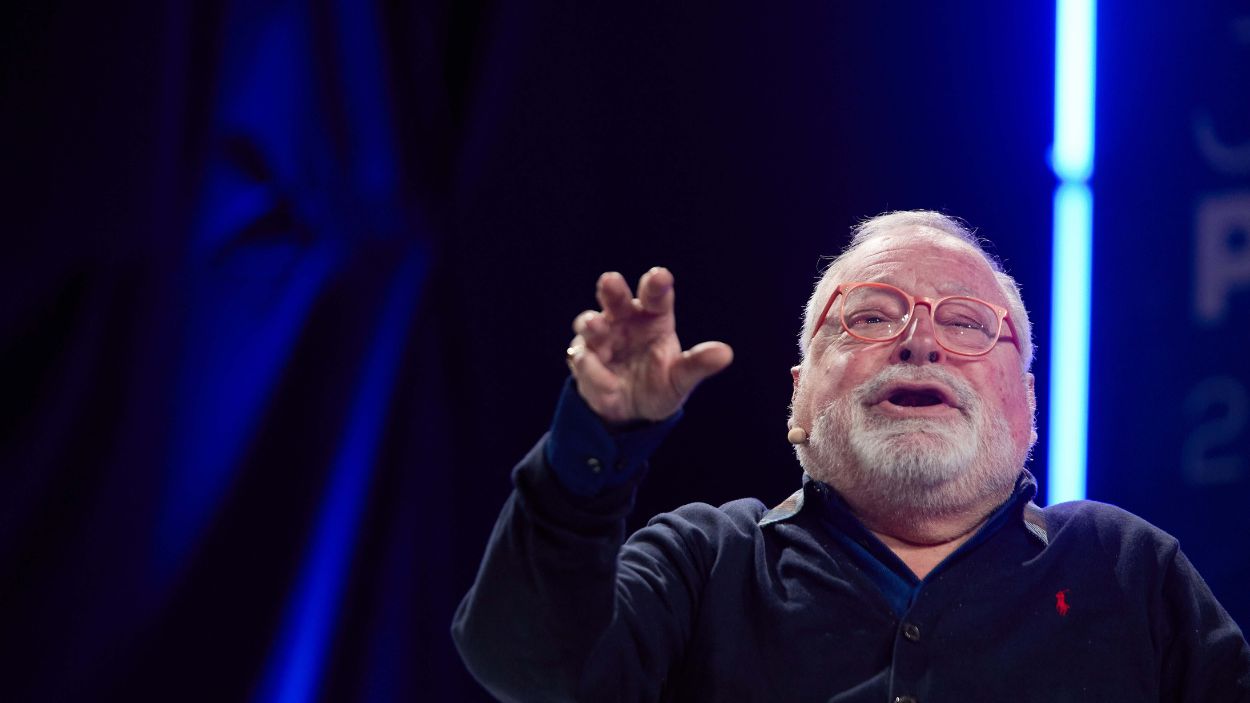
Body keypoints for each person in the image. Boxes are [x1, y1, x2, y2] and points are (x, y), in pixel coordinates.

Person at [452, 211, 1250, 702]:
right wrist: (595, 440)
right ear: (800, 398)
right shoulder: (705, 565)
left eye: (968, 323)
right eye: (871, 316)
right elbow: (532, 671)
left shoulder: (1127, 571)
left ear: (1027, 406)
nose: (921, 341)